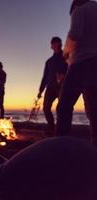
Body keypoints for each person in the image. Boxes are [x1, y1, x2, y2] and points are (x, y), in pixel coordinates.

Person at [56, 0, 97, 145]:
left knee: (64, 105)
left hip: (81, 64)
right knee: (93, 109)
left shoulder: (80, 9)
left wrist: (66, 52)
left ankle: (60, 143)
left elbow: (75, 34)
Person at [37, 37, 68, 135]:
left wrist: (64, 74)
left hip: (62, 86)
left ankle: (61, 130)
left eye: (58, 44)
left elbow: (72, 69)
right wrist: (40, 91)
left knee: (62, 108)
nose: (56, 46)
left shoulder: (66, 57)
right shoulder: (49, 61)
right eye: (54, 44)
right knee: (46, 108)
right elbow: (45, 76)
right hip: (50, 87)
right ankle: (51, 127)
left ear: (61, 44)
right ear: (51, 46)